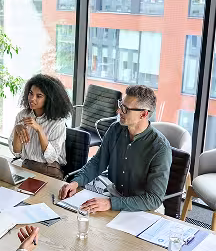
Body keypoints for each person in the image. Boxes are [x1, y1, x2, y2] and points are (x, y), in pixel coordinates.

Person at [59, 85, 172, 213]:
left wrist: (111, 203)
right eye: (120, 105)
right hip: (114, 194)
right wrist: (76, 182)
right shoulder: (115, 129)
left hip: (144, 207)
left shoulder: (160, 148)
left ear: (144, 114)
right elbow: (97, 162)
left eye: (125, 109)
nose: (119, 111)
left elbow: (153, 199)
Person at [8, 74, 73, 179]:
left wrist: (39, 129)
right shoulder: (22, 115)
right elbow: (17, 153)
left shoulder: (57, 123)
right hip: (27, 167)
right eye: (31, 93)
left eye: (39, 96)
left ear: (49, 99)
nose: (32, 99)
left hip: (49, 172)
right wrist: (16, 131)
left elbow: (51, 158)